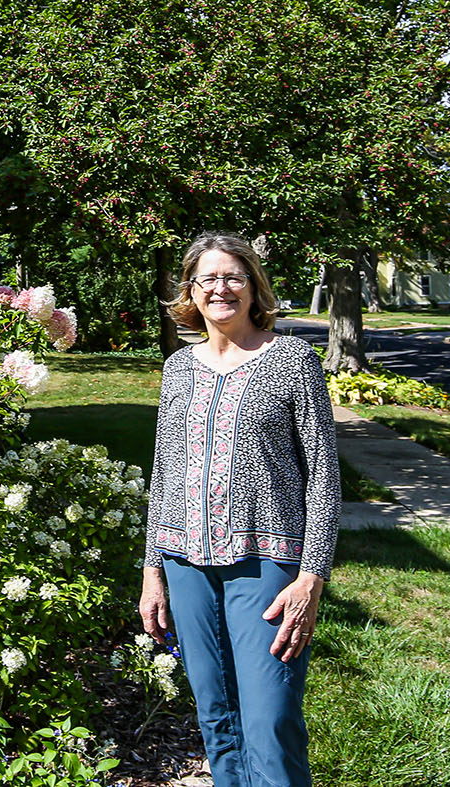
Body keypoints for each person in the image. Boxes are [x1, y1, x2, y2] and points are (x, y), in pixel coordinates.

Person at [138, 231, 340, 787]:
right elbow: (164, 472)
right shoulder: (179, 367)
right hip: (184, 562)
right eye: (207, 278)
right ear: (190, 290)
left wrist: (311, 578)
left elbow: (323, 475)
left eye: (233, 276)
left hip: (268, 564)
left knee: (270, 720)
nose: (220, 288)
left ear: (254, 286)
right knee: (216, 717)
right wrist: (152, 572)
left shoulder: (293, 360)